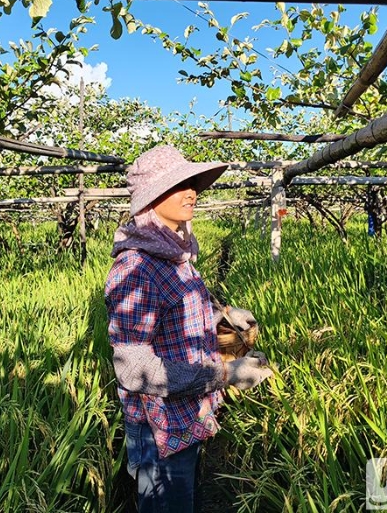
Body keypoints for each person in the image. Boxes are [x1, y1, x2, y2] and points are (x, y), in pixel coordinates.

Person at [104, 145, 273, 512]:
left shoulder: (175, 253)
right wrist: (226, 373)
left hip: (187, 416)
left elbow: (179, 313)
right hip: (160, 428)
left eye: (192, 182)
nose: (191, 191)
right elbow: (134, 369)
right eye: (177, 184)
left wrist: (223, 315)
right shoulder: (136, 268)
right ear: (150, 198)